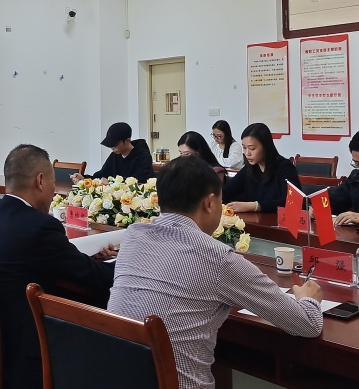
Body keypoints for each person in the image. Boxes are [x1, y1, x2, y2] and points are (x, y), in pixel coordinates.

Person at [108, 157, 322, 389]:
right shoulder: (217, 258)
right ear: (210, 203)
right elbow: (307, 325)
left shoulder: (133, 235)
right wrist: (308, 298)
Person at [0, 144, 116, 389]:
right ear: (41, 180)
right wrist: (127, 259)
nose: (54, 190)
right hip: (25, 343)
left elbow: (36, 255)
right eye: (54, 183)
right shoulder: (40, 226)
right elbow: (97, 278)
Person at [222, 123, 300, 213]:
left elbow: (292, 202)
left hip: (277, 220)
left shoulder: (285, 168)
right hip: (254, 220)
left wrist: (255, 206)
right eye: (244, 148)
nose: (247, 153)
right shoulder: (249, 169)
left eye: (252, 148)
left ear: (266, 147)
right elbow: (227, 191)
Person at [70, 122, 153, 184]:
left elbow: (140, 180)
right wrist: (84, 178)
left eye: (115, 144)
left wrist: (111, 182)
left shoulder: (143, 156)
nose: (112, 148)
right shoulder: (115, 155)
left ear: (127, 141)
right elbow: (101, 175)